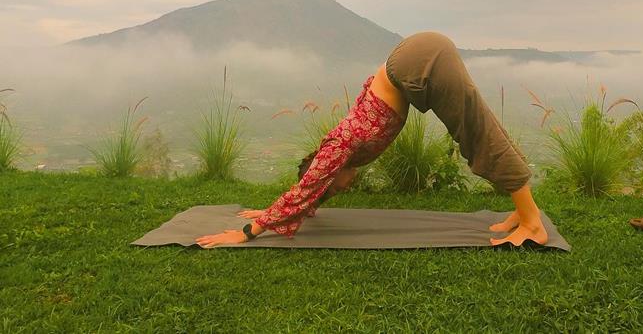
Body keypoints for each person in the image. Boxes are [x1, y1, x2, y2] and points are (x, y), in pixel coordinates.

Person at [195, 31, 549, 249]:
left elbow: (307, 188)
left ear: (329, 171)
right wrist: (280, 212)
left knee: (475, 132)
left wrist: (249, 230)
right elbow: (311, 193)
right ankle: (521, 212)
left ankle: (532, 221)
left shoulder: (338, 148)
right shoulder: (345, 153)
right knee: (479, 125)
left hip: (415, 63)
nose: (342, 189)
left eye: (333, 188)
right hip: (412, 59)